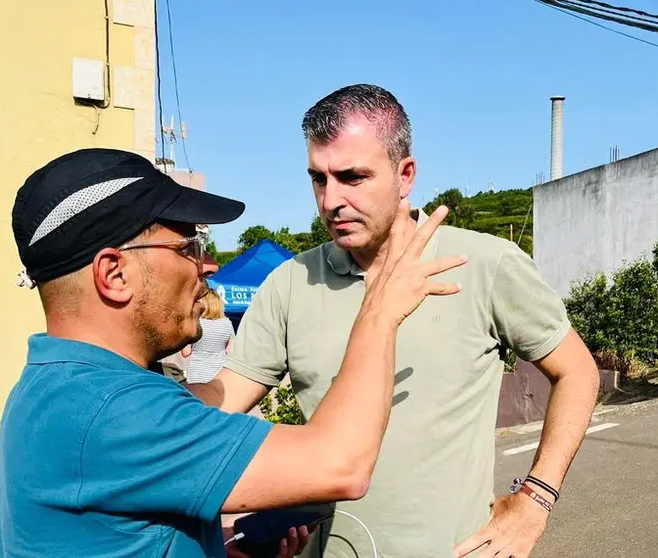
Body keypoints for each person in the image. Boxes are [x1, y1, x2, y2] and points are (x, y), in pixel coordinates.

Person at [189, 84, 600, 558]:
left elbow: (577, 371)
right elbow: (222, 401)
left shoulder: (485, 264)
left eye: (352, 177)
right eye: (319, 179)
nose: (330, 200)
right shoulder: (290, 282)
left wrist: (536, 499)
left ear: (405, 175)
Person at [0, 147, 467, 557]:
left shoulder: (54, 387)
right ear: (114, 274)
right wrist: (379, 309)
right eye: (188, 246)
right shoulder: (116, 411)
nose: (206, 266)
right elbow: (340, 464)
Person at [182, 289, 236, 384]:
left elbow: (185, 352)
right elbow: (230, 351)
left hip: (197, 372)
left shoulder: (196, 323)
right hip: (219, 372)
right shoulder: (227, 323)